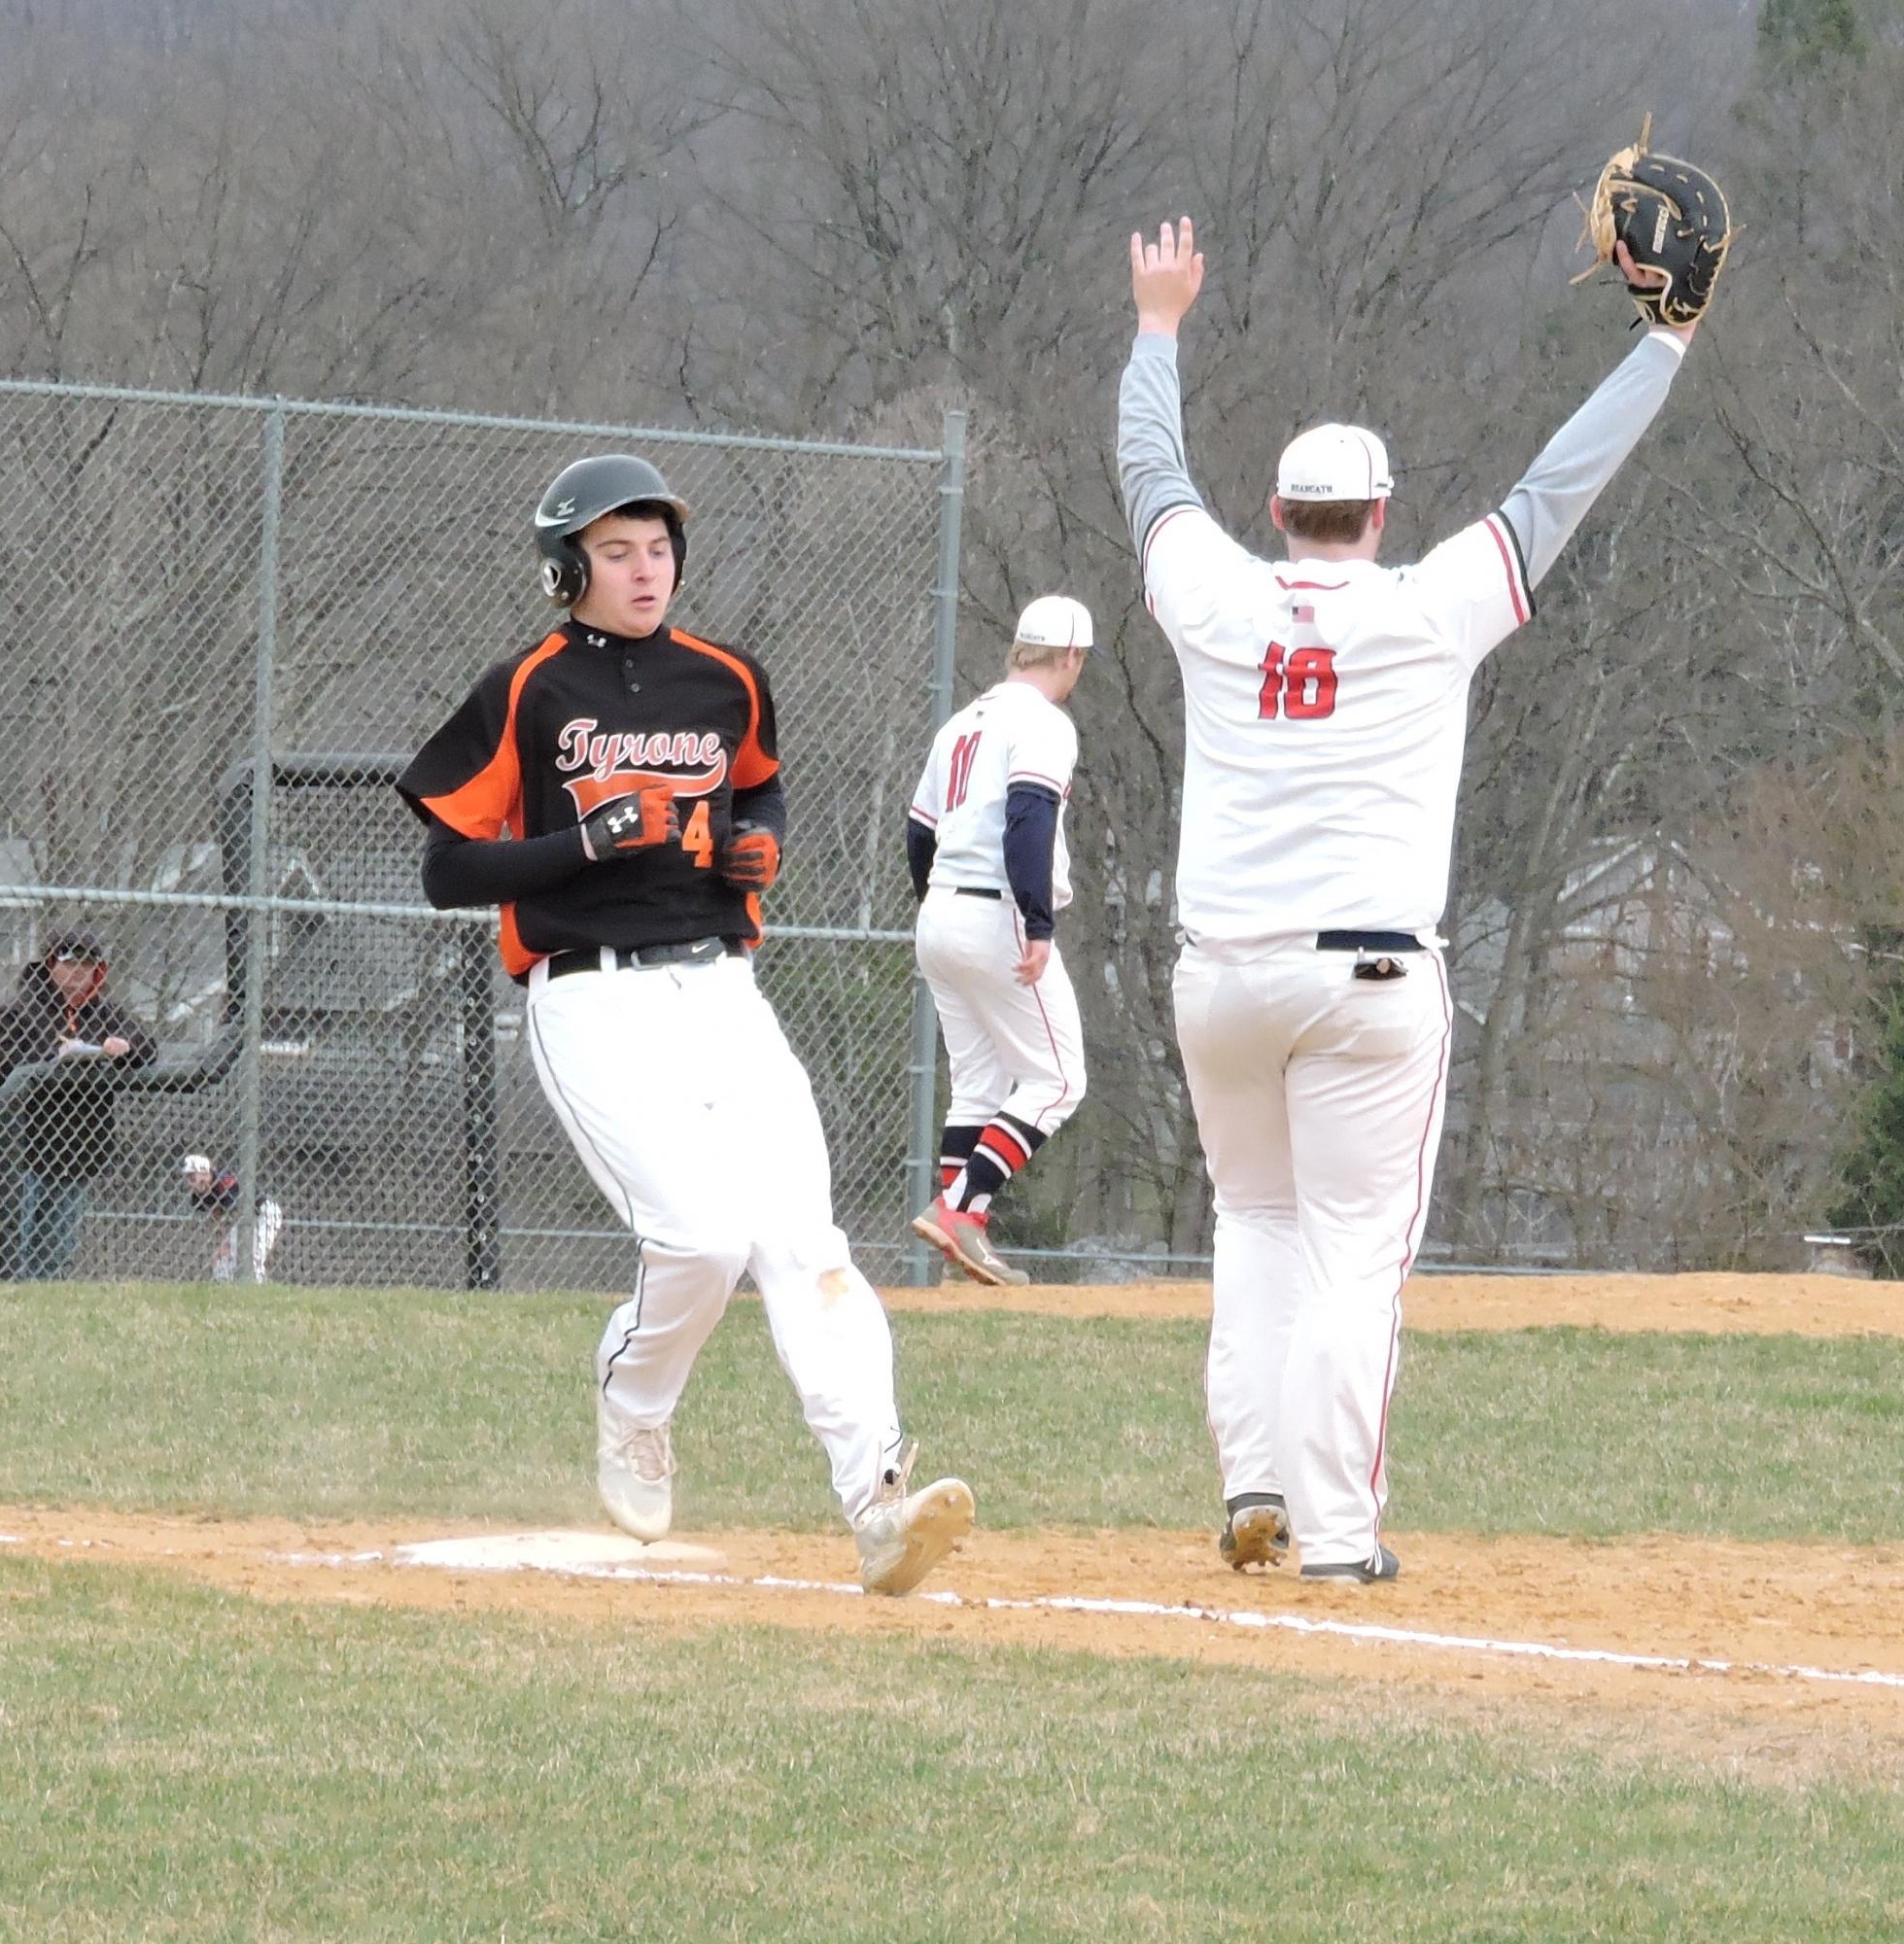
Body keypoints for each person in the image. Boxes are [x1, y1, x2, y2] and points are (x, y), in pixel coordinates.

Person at [1117, 218, 1703, 1583]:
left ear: (1275, 514)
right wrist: (1663, 341)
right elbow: (1559, 487)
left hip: (1221, 978)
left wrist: (1159, 326)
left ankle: (1253, 1481)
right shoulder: (1430, 605)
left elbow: (1149, 472)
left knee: (1254, 1224)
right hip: (1369, 983)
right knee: (1352, 1253)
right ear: (1380, 518)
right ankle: (1334, 1534)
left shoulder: (1213, 595)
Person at [397, 452, 975, 1597]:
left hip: (720, 989)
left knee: (807, 1249)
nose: (644, 567)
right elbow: (446, 870)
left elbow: (758, 785)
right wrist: (581, 844)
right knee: (700, 1238)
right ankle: (634, 1404)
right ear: (568, 567)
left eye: (657, 546)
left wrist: (761, 840)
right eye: (616, 550)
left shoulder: (725, 679)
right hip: (588, 994)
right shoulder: (528, 689)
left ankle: (878, 1502)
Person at [905, 594, 1094, 1288]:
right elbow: (1028, 819)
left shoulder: (961, 722)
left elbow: (919, 834)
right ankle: (963, 1212)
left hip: (942, 913)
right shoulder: (1043, 723)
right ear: (1070, 657)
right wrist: (1037, 924)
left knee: (981, 1084)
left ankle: (959, 1244)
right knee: (1058, 1079)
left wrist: (939, 909)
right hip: (997, 914)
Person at [0, 925, 156, 1280]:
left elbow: (147, 1047)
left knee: (54, 1259)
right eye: (70, 964)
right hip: (19, 1152)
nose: (78, 974)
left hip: (75, 1150)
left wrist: (124, 1047)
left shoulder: (104, 1014)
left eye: (88, 966)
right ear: (49, 964)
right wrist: (53, 1057)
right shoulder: (19, 1010)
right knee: (6, 1256)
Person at [181, 1153, 285, 1284]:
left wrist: (228, 1243)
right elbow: (216, 1211)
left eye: (192, 1177)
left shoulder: (224, 1181)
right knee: (222, 1257)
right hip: (244, 1219)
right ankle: (225, 1286)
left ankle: (257, 1288)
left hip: (264, 1213)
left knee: (252, 1255)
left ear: (204, 1172)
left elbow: (237, 1210)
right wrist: (225, 1240)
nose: (189, 1182)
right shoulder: (201, 1193)